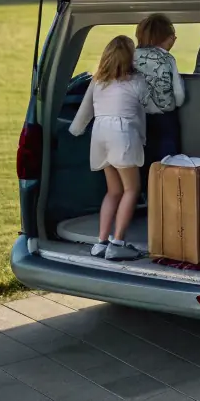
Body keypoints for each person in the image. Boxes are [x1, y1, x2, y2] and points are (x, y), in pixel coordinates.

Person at [68, 35, 151, 261]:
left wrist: (74, 132)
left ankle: (101, 242)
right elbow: (151, 106)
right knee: (132, 189)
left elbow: (85, 112)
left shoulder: (98, 81)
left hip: (99, 136)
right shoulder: (137, 81)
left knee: (113, 191)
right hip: (122, 136)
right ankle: (118, 243)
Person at [133, 13, 185, 174]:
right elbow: (179, 96)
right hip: (164, 120)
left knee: (141, 162)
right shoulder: (167, 59)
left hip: (135, 117)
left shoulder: (130, 56)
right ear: (167, 38)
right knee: (166, 163)